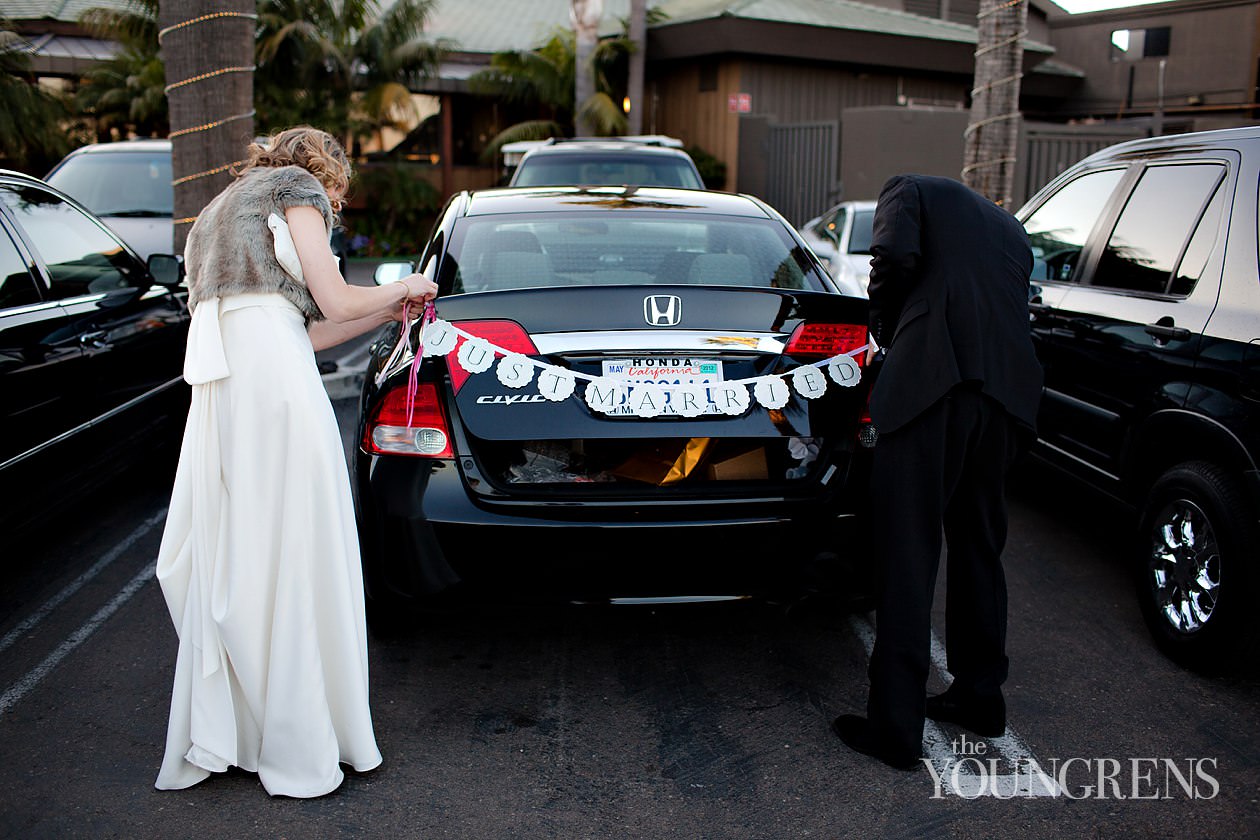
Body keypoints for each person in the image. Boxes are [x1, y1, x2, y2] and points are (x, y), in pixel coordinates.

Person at [154, 126, 437, 797]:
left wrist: (390, 309)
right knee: (300, 544)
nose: (334, 213)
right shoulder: (297, 188)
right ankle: (301, 735)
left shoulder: (217, 212)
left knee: (241, 550)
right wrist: (413, 285)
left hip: (225, 385)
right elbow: (336, 299)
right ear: (327, 173)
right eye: (338, 200)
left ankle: (240, 731)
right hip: (276, 387)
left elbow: (302, 327)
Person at [831, 174, 1042, 770]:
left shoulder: (906, 188)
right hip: (1005, 396)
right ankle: (980, 697)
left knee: (908, 549)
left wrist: (884, 326)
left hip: (931, 387)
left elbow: (895, 255)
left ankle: (894, 728)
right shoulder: (1011, 228)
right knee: (980, 550)